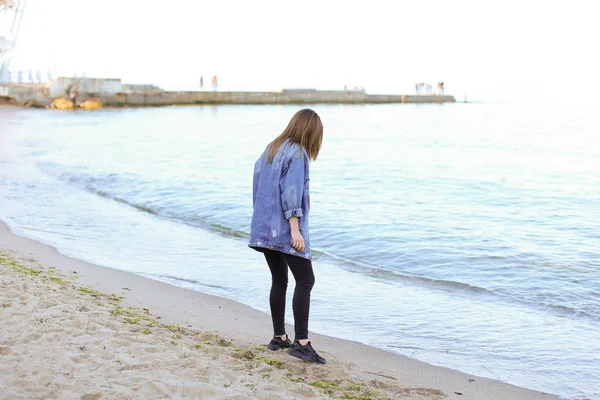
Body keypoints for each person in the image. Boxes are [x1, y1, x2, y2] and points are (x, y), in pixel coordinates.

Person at [249, 109, 325, 364]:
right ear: (311, 132)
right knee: (306, 280)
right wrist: (295, 229)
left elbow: (258, 187)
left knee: (279, 279)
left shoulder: (272, 147)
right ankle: (301, 343)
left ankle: (279, 337)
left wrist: (262, 221)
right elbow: (291, 191)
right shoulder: (298, 153)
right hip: (285, 229)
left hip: (264, 228)